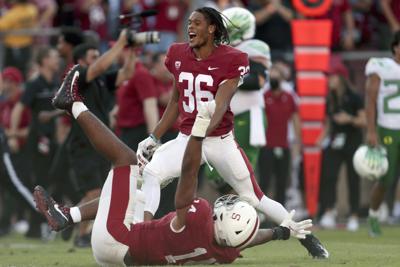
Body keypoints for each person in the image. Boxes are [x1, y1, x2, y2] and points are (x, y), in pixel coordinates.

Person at [33, 65, 312, 265]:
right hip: (122, 259)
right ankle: (67, 216)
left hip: (118, 238)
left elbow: (188, 176)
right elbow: (247, 237)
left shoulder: (201, 217)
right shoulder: (222, 252)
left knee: (127, 162)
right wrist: (280, 232)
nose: (222, 207)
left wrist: (198, 134)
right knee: (134, 190)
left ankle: (72, 104)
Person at [137, 6, 329, 258]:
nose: (190, 27)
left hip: (219, 140)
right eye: (189, 23)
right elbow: (175, 102)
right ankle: (143, 235)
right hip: (186, 138)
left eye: (196, 23)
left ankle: (305, 237)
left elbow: (221, 106)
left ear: (212, 28)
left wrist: (202, 129)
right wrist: (154, 136)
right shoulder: (177, 53)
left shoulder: (233, 58)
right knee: (151, 173)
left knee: (254, 196)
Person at [62, 30, 136, 247]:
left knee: (102, 191)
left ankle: (70, 219)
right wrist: (121, 42)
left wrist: (131, 51)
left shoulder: (101, 80)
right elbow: (100, 67)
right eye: (93, 56)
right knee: (94, 191)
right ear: (80, 60)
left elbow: (127, 73)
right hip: (82, 144)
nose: (98, 59)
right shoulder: (77, 76)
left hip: (100, 144)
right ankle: (80, 233)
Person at [204, 7, 269, 195]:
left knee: (241, 171)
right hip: (224, 114)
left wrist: (226, 77)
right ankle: (232, 211)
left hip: (247, 114)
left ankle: (243, 214)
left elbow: (258, 81)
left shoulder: (253, 48)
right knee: (217, 173)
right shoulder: (220, 51)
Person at [9, 47, 60, 238]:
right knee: (39, 183)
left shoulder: (55, 83)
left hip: (51, 139)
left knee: (51, 180)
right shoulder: (34, 84)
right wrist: (13, 135)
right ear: (44, 60)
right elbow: (18, 109)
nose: (57, 60)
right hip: (36, 140)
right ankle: (37, 227)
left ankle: (40, 226)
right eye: (53, 57)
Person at [317, 62, 366, 232]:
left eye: (332, 76)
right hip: (335, 140)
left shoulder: (354, 97)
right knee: (329, 176)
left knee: (353, 178)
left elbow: (364, 120)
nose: (329, 80)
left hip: (353, 140)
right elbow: (329, 123)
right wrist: (320, 138)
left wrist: (349, 119)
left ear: (341, 78)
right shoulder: (330, 97)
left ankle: (354, 216)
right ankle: (329, 211)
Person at [365, 31, 400, 237]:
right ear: (395, 46)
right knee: (386, 179)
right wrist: (371, 130)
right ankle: (373, 215)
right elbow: (370, 99)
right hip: (388, 128)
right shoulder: (382, 66)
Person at [259, 64, 301, 206]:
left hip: (284, 144)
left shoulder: (289, 97)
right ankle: (262, 214)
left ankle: (280, 214)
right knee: (264, 180)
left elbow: (295, 119)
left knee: (282, 181)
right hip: (266, 145)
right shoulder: (264, 97)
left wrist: (297, 142)